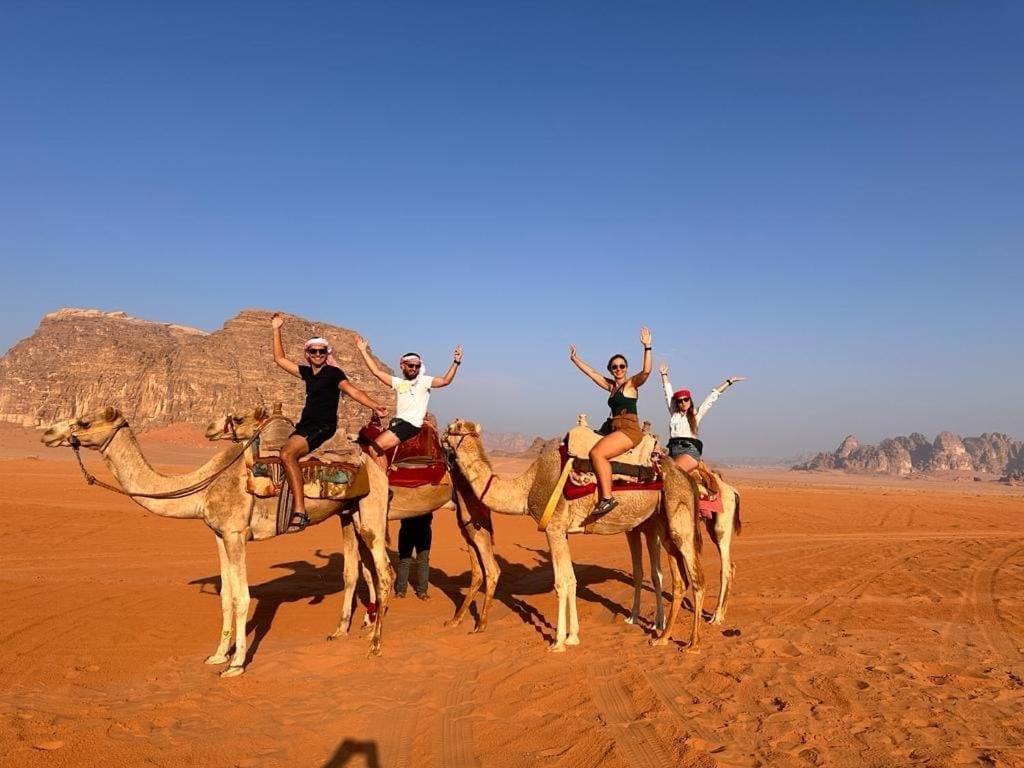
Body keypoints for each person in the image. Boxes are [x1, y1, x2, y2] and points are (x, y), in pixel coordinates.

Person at [271, 313, 388, 532]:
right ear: (307, 354)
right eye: (314, 351)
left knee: (287, 454)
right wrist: (276, 329)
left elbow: (352, 390)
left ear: (327, 354)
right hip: (305, 424)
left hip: (323, 426)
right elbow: (279, 359)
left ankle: (299, 510)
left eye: (321, 351)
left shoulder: (334, 374)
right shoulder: (306, 372)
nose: (317, 355)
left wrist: (373, 405)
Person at [569, 327, 653, 516]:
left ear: (626, 368)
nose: (618, 369)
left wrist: (647, 347)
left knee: (597, 453)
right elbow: (591, 373)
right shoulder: (611, 386)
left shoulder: (630, 385)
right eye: (614, 367)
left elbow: (646, 372)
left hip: (629, 430)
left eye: (622, 366)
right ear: (610, 369)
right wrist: (575, 359)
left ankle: (607, 498)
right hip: (614, 428)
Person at [354, 336, 463, 469]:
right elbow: (376, 372)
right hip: (398, 423)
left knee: (375, 447)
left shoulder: (424, 381)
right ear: (402, 365)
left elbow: (445, 381)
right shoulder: (399, 383)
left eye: (417, 366)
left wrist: (456, 362)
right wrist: (363, 351)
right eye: (411, 365)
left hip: (410, 425)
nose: (414, 369)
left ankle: (382, 484)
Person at [659, 362, 746, 472]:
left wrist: (729, 382)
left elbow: (712, 397)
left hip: (689, 451)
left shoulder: (696, 414)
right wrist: (664, 375)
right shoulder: (674, 414)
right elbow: (668, 393)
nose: (683, 402)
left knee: (672, 473)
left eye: (686, 399)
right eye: (680, 401)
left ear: (690, 400)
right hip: (673, 450)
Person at [394, 512, 433, 599]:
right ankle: (403, 591)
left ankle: (420, 591)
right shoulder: (426, 498)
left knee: (420, 561)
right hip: (410, 529)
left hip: (421, 529)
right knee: (406, 561)